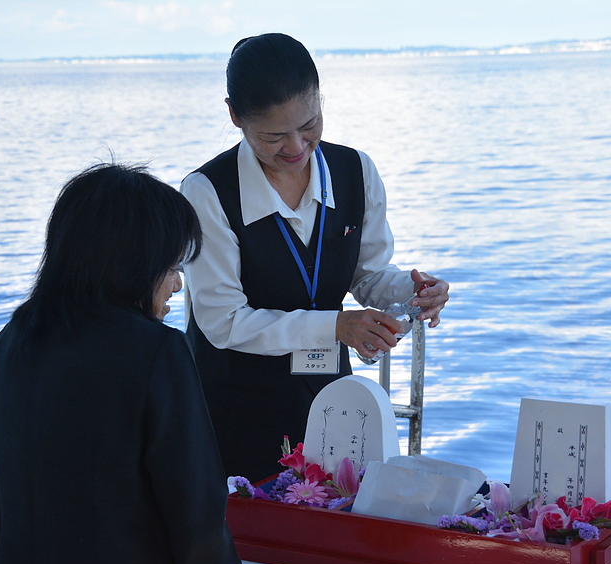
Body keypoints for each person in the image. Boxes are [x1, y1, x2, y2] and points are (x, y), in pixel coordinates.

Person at [0, 163, 308, 564]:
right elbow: (192, 505)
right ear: (132, 263)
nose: (175, 285)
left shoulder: (9, 345)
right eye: (170, 266)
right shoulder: (157, 353)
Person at [182, 33, 451, 483]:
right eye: (273, 136)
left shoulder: (355, 171)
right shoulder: (207, 192)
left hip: (330, 399)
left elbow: (367, 276)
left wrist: (412, 290)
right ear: (234, 116)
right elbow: (223, 321)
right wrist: (336, 326)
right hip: (234, 404)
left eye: (310, 125)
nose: (296, 147)